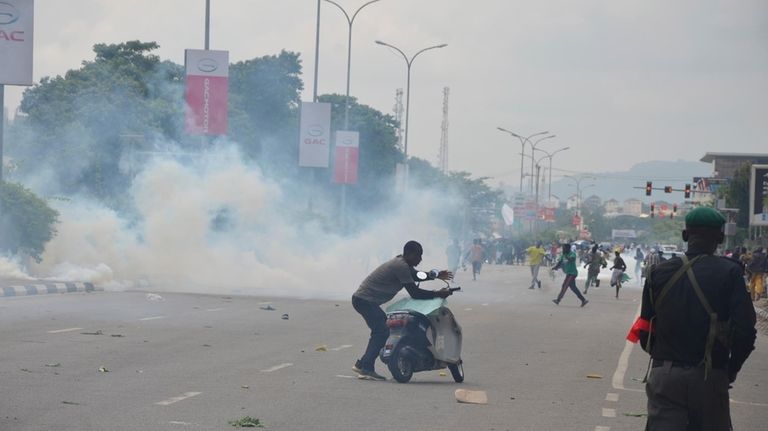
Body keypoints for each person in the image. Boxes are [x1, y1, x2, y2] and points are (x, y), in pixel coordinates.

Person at [627, 207, 756, 430]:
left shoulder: (657, 273)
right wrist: (729, 369)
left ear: (685, 235)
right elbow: (745, 330)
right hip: (709, 377)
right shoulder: (730, 273)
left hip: (664, 377)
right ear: (720, 237)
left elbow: (645, 329)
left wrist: (664, 359)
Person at [352, 241, 453, 381]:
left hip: (365, 300)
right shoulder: (400, 266)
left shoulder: (403, 264)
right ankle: (366, 368)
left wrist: (433, 275)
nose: (420, 259)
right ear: (410, 254)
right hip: (364, 300)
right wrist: (437, 293)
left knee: (381, 331)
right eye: (418, 256)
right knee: (381, 331)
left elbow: (417, 275)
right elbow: (415, 293)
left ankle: (363, 363)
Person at [552, 243, 589, 307]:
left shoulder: (572, 254)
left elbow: (571, 259)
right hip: (569, 273)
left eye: (564, 248)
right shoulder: (563, 255)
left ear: (568, 248)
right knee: (573, 288)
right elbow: (560, 262)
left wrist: (565, 256)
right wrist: (555, 267)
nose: (563, 249)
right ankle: (583, 300)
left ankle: (558, 300)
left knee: (565, 285)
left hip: (572, 273)